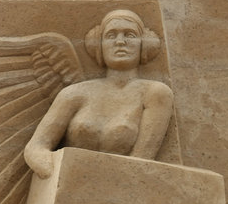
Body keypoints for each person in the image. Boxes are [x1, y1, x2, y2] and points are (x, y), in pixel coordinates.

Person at [24, 9, 174, 179]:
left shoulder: (155, 93)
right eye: (111, 35)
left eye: (130, 35)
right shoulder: (74, 94)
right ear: (99, 46)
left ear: (144, 45)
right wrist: (54, 173)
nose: (120, 42)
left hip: (121, 189)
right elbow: (36, 147)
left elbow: (141, 160)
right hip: (68, 186)